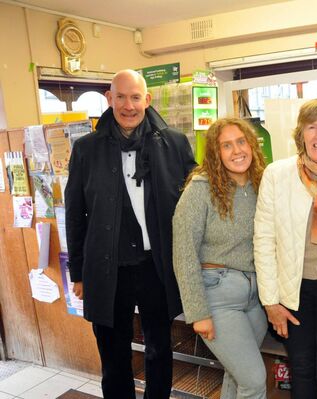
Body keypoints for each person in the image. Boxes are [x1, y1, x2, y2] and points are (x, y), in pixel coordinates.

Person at [65, 69, 196, 399]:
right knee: (113, 354)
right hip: (108, 269)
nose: (128, 105)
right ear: (109, 99)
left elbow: (194, 206)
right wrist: (78, 273)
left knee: (158, 349)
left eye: (135, 97)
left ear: (146, 100)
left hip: (157, 266)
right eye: (120, 97)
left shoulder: (175, 144)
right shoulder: (86, 149)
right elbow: (75, 215)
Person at [254, 98, 317, 398]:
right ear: (301, 134)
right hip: (292, 291)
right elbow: (263, 240)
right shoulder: (276, 174)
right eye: (312, 127)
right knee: (301, 370)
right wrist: (271, 302)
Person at [173, 118, 267, 399]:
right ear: (216, 153)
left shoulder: (262, 183)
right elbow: (183, 252)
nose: (237, 150)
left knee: (238, 375)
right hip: (218, 297)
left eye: (241, 141)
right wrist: (198, 313)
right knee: (254, 380)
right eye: (226, 145)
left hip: (256, 298)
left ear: (252, 144)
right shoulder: (200, 189)